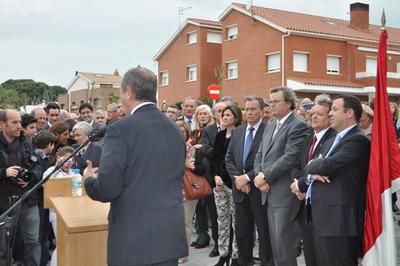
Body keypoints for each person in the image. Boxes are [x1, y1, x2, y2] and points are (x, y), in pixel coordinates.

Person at [84, 67, 187, 266]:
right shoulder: (175, 129)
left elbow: (107, 189)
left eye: (122, 93)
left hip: (134, 242)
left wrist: (88, 180)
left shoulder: (120, 129)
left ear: (129, 92)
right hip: (169, 237)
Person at [301, 95, 370, 266]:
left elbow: (325, 165)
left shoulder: (358, 140)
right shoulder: (332, 140)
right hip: (317, 214)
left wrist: (314, 165)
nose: (330, 113)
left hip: (338, 220)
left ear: (349, 113)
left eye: (335, 109)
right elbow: (311, 167)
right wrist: (313, 169)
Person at [253, 87, 309, 266]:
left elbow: (290, 157)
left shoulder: (298, 125)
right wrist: (258, 177)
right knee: (276, 246)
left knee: (284, 246)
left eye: (276, 101)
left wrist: (265, 177)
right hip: (268, 191)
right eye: (270, 101)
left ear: (289, 103)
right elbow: (259, 154)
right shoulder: (270, 125)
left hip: (285, 194)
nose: (271, 104)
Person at [225, 96, 274, 266]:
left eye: (253, 109)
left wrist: (247, 178)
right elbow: (229, 159)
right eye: (247, 109)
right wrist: (238, 180)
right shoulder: (238, 131)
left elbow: (267, 161)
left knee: (264, 233)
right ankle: (245, 262)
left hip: (259, 191)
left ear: (261, 111)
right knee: (242, 234)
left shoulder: (269, 131)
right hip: (240, 191)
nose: (250, 112)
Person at [290, 94, 336, 266]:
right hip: (304, 207)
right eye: (312, 113)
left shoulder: (334, 138)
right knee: (310, 255)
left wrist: (302, 185)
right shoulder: (309, 136)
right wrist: (297, 185)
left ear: (330, 118)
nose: (313, 116)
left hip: (322, 208)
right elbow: (298, 164)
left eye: (320, 114)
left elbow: (321, 170)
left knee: (323, 256)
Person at [0, 109, 42, 265]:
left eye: (20, 122)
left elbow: (38, 167)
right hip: (6, 204)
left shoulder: (26, 143)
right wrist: (4, 173)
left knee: (33, 242)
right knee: (5, 245)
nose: (19, 126)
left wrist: (31, 178)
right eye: (15, 122)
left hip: (29, 200)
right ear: (2, 124)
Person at [211, 105, 242, 266]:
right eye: (223, 114)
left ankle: (236, 256)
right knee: (222, 220)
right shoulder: (220, 135)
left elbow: (237, 160)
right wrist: (216, 176)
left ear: (236, 118)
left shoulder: (240, 134)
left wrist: (232, 179)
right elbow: (215, 159)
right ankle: (224, 254)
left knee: (236, 222)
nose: (224, 117)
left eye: (228, 114)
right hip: (219, 185)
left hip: (235, 184)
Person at [199, 101, 227, 257]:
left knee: (231, 216)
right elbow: (206, 149)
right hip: (212, 179)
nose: (222, 115)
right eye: (219, 111)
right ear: (214, 114)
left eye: (224, 111)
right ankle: (218, 245)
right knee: (216, 214)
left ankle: (232, 245)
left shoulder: (236, 130)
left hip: (231, 179)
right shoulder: (209, 130)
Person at [176, 121, 206, 264]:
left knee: (186, 222)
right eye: (178, 130)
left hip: (187, 189)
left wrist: (182, 164)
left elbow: (193, 166)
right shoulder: (167, 147)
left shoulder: (191, 149)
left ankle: (183, 253)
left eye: (183, 131)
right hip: (171, 190)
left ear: (187, 133)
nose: (180, 133)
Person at [42, 146, 75, 266]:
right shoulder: (51, 171)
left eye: (71, 160)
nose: (68, 163)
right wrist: (56, 169)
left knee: (70, 242)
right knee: (61, 243)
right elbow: (44, 183)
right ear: (58, 158)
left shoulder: (75, 173)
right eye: (65, 160)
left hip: (72, 212)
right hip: (57, 213)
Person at [33, 131, 57, 266]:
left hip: (41, 201)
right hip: (40, 201)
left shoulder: (42, 157)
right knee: (41, 235)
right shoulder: (40, 159)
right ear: (50, 145)